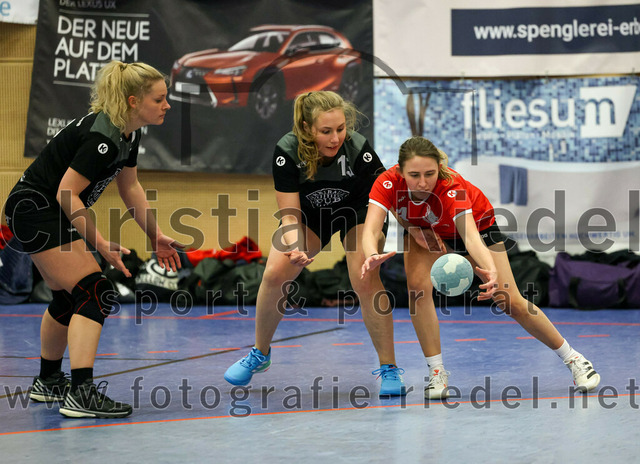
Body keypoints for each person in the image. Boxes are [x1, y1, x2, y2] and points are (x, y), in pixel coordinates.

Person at [4, 61, 183, 418]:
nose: (166, 105)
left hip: (42, 209)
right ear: (133, 101)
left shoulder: (129, 133)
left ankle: (48, 381)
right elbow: (67, 193)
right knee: (95, 291)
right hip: (36, 209)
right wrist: (100, 243)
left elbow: (130, 187)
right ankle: (81, 393)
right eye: (159, 99)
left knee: (68, 297)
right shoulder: (102, 137)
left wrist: (156, 235)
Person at [361, 135, 601, 399]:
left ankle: (574, 359)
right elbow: (371, 228)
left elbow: (471, 238)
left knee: (509, 300)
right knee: (417, 291)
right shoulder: (386, 183)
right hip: (427, 231)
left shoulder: (452, 186)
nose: (422, 182)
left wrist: (490, 269)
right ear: (400, 171)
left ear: (439, 167)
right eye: (414, 175)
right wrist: (372, 254)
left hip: (477, 226)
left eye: (429, 174)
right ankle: (437, 373)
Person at [224, 90, 406, 396]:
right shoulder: (287, 151)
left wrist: (413, 228)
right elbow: (290, 215)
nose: (335, 138)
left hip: (358, 211)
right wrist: (294, 246)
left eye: (341, 129)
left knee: (364, 275)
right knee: (275, 273)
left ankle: (389, 368)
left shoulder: (358, 148)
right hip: (310, 216)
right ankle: (260, 353)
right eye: (326, 131)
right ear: (307, 128)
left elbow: (387, 194)